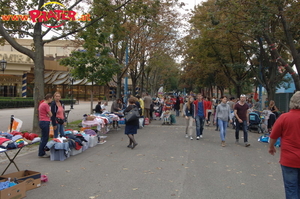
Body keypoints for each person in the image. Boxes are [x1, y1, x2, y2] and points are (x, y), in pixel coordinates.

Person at [269, 91, 300, 199]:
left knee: (291, 188)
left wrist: (271, 147)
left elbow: (273, 135)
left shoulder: (284, 117)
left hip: (289, 159)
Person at [38, 93, 53, 158]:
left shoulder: (41, 104)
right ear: (49, 98)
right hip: (45, 121)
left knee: (43, 137)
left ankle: (41, 151)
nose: (51, 100)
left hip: (41, 121)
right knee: (45, 138)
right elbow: (51, 114)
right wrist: (48, 114)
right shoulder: (46, 105)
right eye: (51, 99)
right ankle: (41, 153)